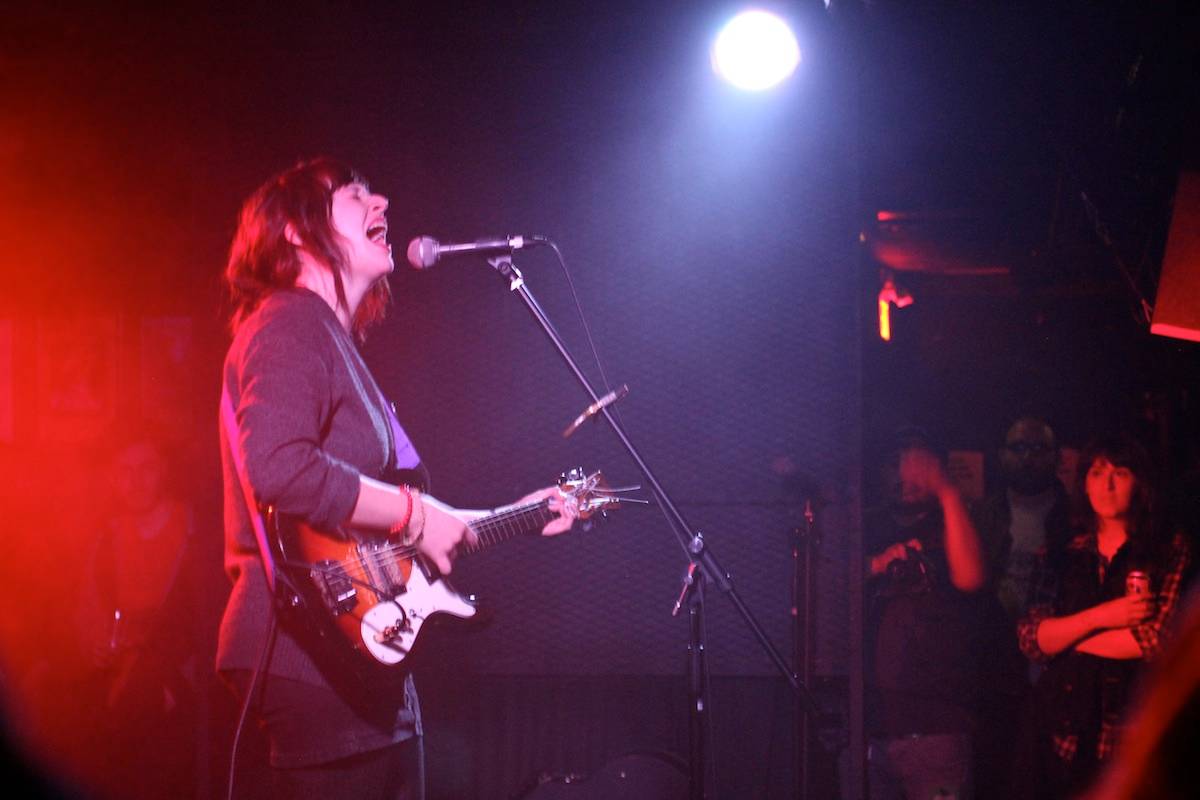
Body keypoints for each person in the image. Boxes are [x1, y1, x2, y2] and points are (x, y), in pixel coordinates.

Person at [217, 157, 578, 799]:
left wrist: (512, 513)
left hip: (360, 650)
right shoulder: (288, 319)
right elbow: (278, 466)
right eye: (355, 194)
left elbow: (395, 520)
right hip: (309, 652)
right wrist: (413, 515)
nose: (380, 199)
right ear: (296, 232)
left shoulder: (333, 341)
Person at [1017, 433, 1192, 799]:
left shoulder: (1167, 550)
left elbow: (1157, 641)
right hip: (1060, 734)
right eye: (1097, 473)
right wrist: (1104, 616)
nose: (1107, 485)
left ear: (1140, 482)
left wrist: (1066, 640)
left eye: (1120, 473)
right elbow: (1032, 640)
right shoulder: (1061, 550)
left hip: (1133, 734)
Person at [72, 433, 203, 800]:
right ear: (113, 478)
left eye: (146, 468)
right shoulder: (106, 541)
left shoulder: (192, 534)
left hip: (182, 694)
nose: (136, 480)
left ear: (163, 471)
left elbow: (204, 619)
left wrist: (170, 673)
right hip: (122, 696)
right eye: (125, 471)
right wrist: (94, 646)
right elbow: (88, 616)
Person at [864, 427, 986, 800]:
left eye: (919, 463)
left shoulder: (953, 524)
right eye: (898, 462)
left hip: (937, 733)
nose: (908, 474)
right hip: (872, 728)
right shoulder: (866, 526)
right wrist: (877, 565)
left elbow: (970, 577)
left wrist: (947, 491)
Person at [971, 416, 1073, 799]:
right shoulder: (983, 515)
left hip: (1058, 666)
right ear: (1001, 455)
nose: (1028, 457)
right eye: (1018, 447)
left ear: (1056, 456)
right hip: (994, 667)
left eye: (1038, 448)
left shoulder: (1076, 515)